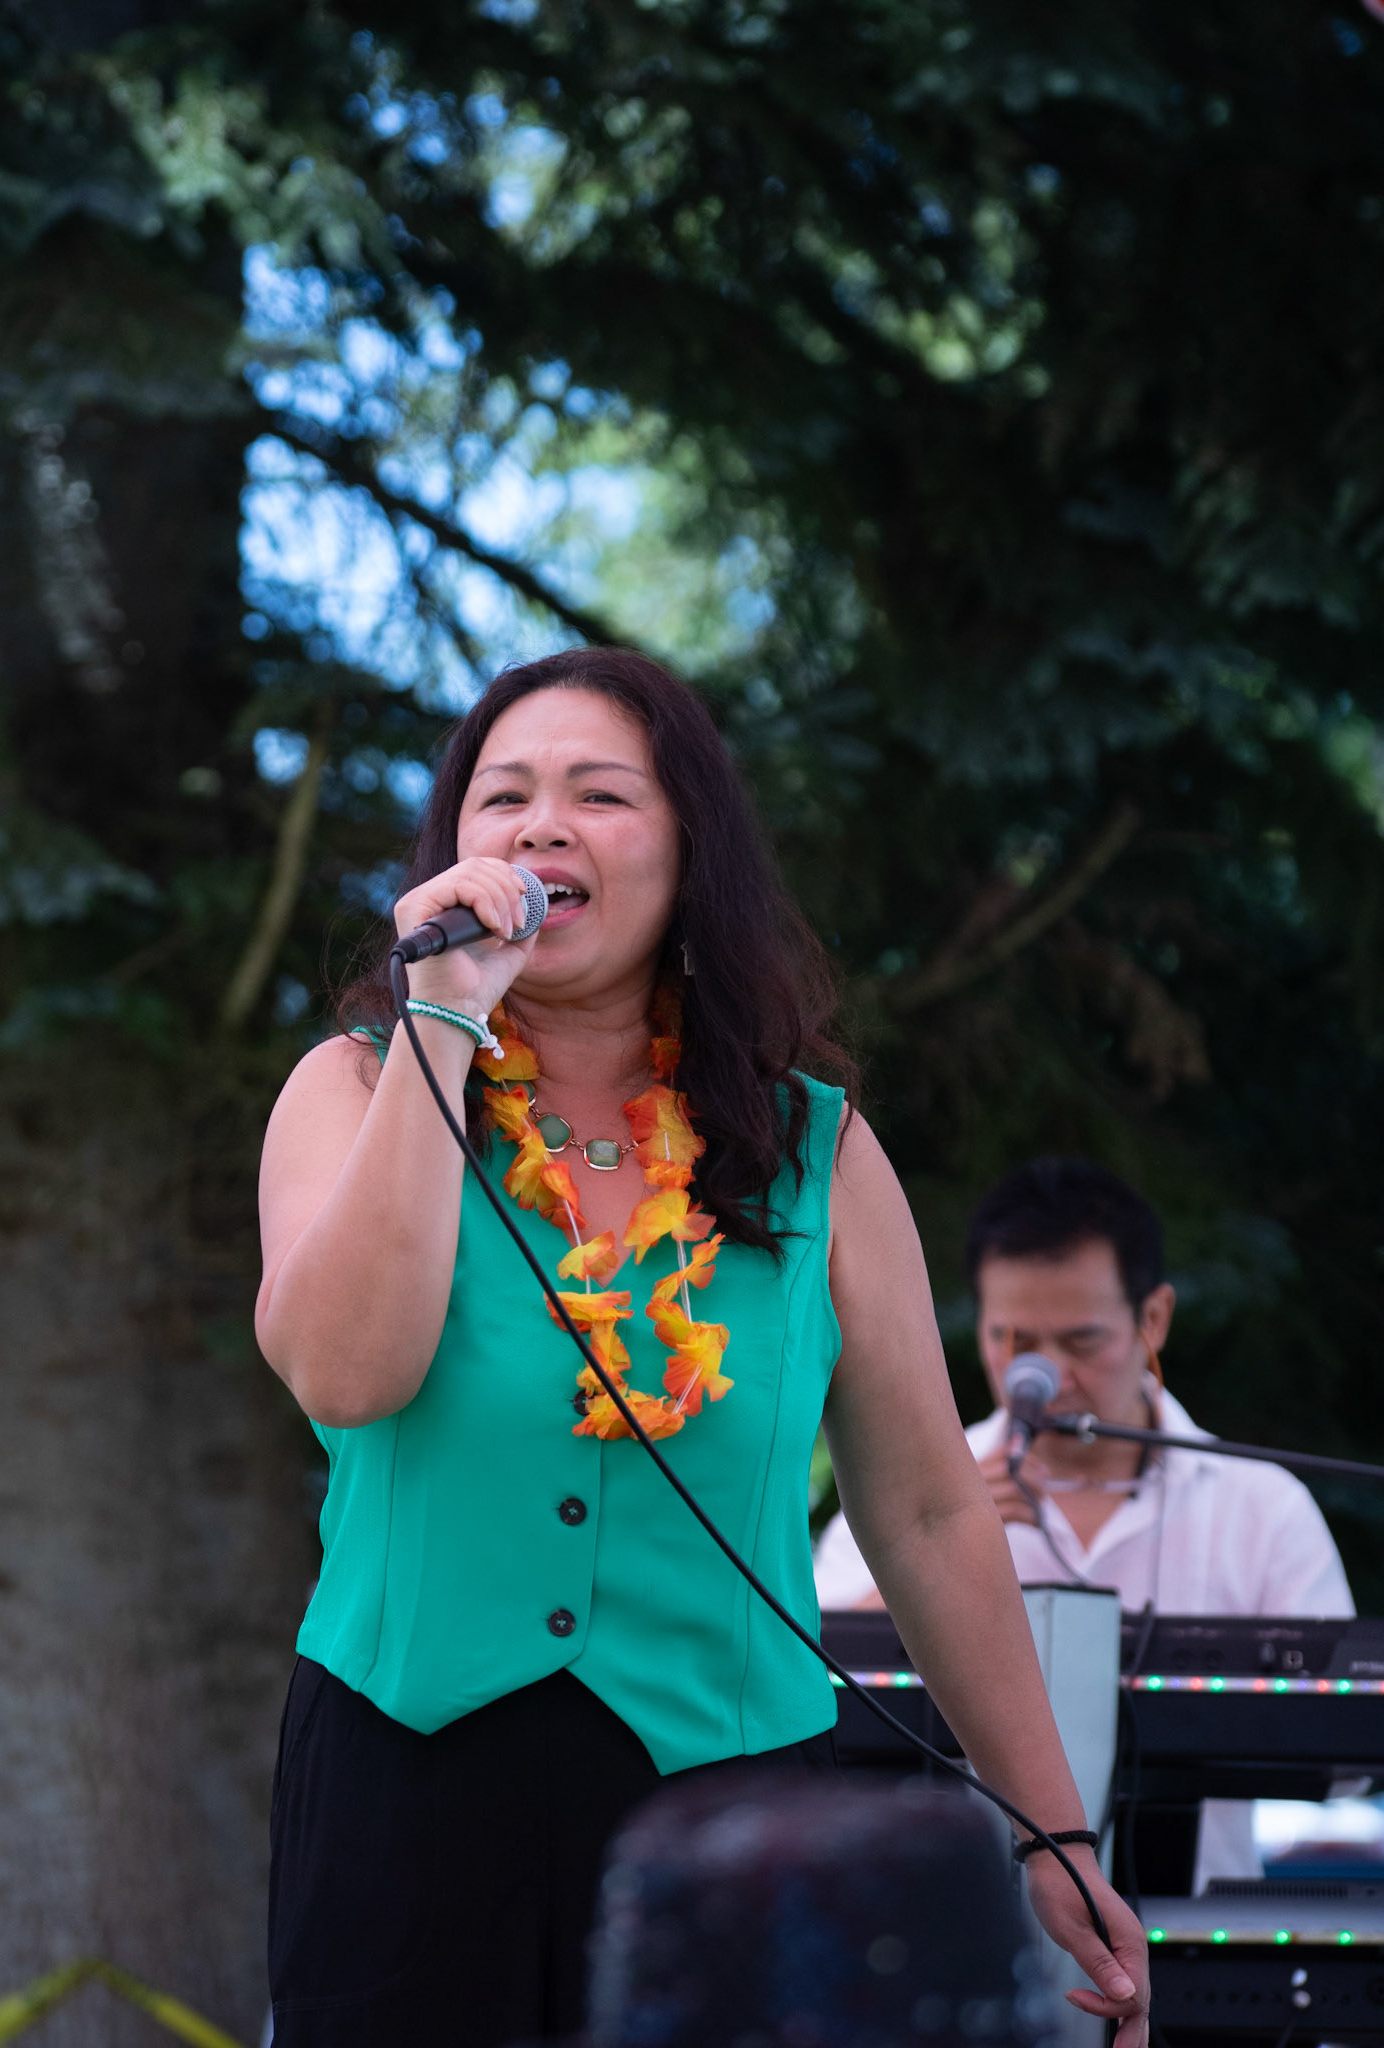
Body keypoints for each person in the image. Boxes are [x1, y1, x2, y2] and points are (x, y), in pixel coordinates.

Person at [256, 649, 1149, 2048]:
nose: (541, 827)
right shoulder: (355, 1088)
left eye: (599, 794)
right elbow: (342, 1376)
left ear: (686, 854)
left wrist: (1050, 1832)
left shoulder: (815, 1150)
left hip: (733, 1810)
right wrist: (443, 1017)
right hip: (405, 1794)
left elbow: (924, 1512)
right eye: (503, 797)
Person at [814, 1155, 1354, 1890]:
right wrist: (927, 1554)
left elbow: (1345, 1761)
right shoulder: (908, 1490)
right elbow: (814, 1696)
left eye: (1081, 1342)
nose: (1045, 1378)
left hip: (1199, 1920)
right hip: (971, 1922)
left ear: (1152, 1319)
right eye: (1012, 1340)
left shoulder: (1262, 1505)